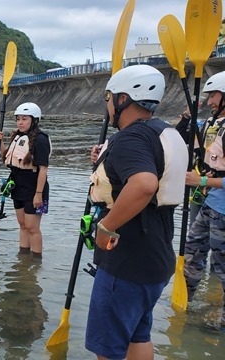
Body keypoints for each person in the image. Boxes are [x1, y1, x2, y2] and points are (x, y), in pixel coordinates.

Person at [86, 64, 187, 359]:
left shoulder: (130, 138)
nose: (106, 104)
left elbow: (144, 184)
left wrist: (106, 227)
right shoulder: (164, 131)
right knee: (138, 335)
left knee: (109, 346)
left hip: (126, 259)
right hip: (156, 257)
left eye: (109, 97)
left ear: (123, 99)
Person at [183, 70, 225, 324]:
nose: (210, 101)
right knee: (193, 251)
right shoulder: (216, 126)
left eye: (214, 95)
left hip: (223, 211)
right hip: (211, 204)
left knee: (221, 265)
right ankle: (184, 304)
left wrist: (201, 181)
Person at [0, 102, 51, 256]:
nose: (20, 122)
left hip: (34, 187)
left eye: (24, 119)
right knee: (23, 225)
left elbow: (43, 169)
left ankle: (36, 261)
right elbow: (7, 158)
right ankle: (23, 260)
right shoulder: (18, 137)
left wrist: (38, 194)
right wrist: (0, 143)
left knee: (32, 227)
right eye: (18, 119)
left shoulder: (40, 140)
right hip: (17, 185)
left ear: (34, 120)